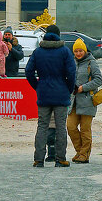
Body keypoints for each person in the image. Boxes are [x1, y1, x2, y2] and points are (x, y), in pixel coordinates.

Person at [24, 24, 76, 167]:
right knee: (60, 127)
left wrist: (38, 86)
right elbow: (71, 73)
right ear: (59, 35)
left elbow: (28, 71)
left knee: (42, 126)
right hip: (61, 93)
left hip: (44, 93)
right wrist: (68, 88)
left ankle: (38, 159)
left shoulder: (38, 51)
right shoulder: (65, 51)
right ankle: (60, 159)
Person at [67, 39, 102, 163]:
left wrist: (83, 88)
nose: (78, 53)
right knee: (70, 127)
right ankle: (80, 151)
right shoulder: (72, 62)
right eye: (76, 51)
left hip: (88, 101)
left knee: (85, 130)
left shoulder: (91, 63)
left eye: (80, 50)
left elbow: (98, 80)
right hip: (74, 102)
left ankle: (84, 154)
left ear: (85, 50)